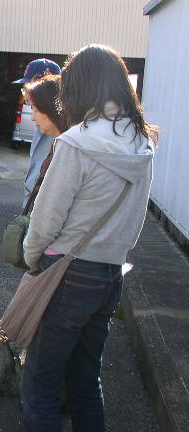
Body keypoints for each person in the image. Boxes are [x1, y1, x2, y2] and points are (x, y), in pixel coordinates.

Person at [20, 44, 156, 431]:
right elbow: (137, 218)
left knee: (41, 380)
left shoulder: (77, 141)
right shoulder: (142, 142)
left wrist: (31, 257)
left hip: (67, 271)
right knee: (86, 378)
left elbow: (45, 220)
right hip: (111, 272)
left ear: (79, 87)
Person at [12, 58, 61, 208]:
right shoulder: (42, 125)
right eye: (24, 88)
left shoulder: (64, 134)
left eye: (29, 88)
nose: (26, 95)